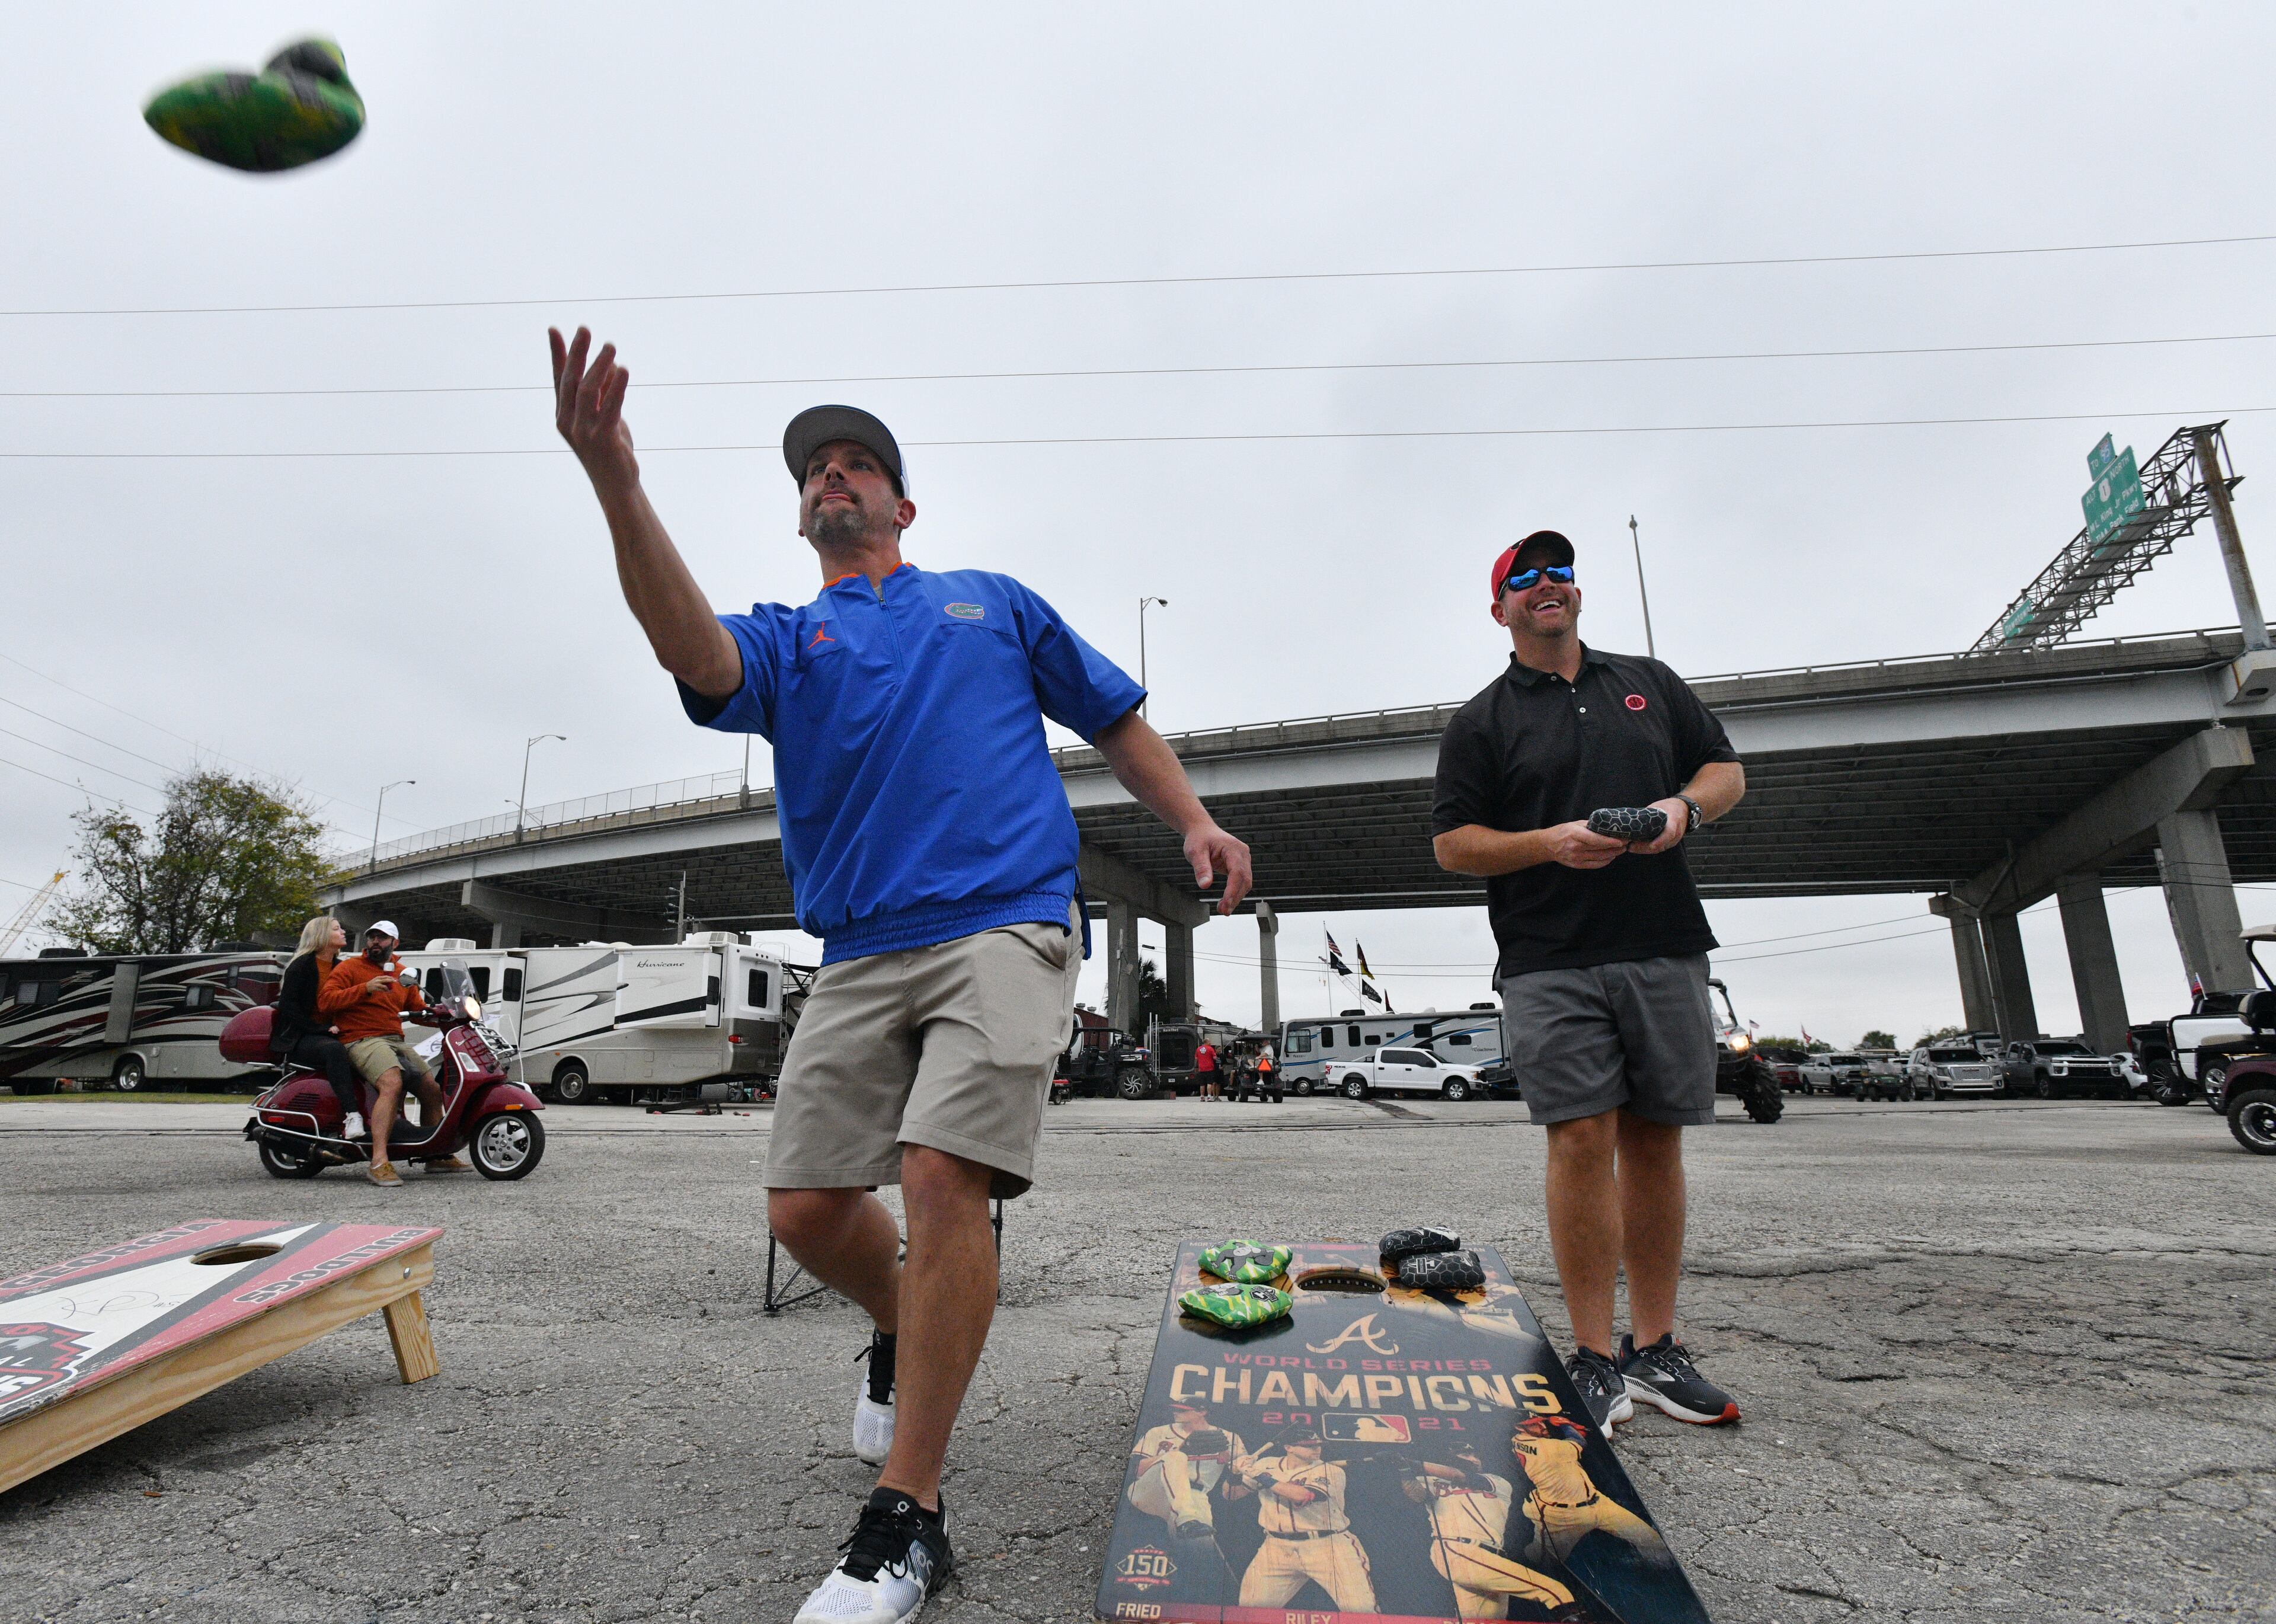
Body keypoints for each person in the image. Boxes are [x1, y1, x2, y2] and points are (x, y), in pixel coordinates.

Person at [549, 328, 1252, 1624]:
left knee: (942, 1176)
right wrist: (615, 480)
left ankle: (911, 1512)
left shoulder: (992, 600)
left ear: (901, 501)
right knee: (807, 1210)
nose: (833, 474)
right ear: (801, 506)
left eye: (857, 462)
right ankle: (899, 1325)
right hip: (860, 946)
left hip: (1005, 920)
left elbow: (1114, 718)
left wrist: (1196, 822)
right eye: (816, 466)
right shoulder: (789, 637)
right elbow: (691, 655)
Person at [1431, 529, 1747, 1436]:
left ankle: (1656, 1349)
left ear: (1576, 592)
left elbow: (1727, 772)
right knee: (1579, 1141)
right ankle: (1595, 1356)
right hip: (1548, 955)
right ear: (1501, 609)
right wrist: (1548, 843)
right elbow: (1454, 844)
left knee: (1655, 1143)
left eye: (1558, 572)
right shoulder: (1482, 722)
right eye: (1523, 578)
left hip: (1663, 942)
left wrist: (1679, 809)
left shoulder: (1647, 681)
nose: (1545, 585)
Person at [319, 922, 466, 1186]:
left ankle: (436, 1156)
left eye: (383, 938)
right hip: (360, 1038)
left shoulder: (402, 974)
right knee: (392, 1083)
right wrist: (365, 988)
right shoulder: (349, 968)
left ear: (395, 944)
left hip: (394, 1040)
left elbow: (416, 1009)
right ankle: (379, 1162)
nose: (376, 942)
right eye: (372, 937)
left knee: (432, 1089)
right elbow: (326, 1001)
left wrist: (445, 1015)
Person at [1402, 1444, 1575, 1619]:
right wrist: (1403, 1469)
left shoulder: (1498, 1482)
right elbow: (1416, 1494)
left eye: (1476, 1455)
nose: (1475, 1459)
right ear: (1450, 1458)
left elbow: (1459, 1475)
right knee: (1556, 1593)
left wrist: (1413, 1463)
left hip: (1493, 1557)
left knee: (1487, 1619)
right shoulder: (1431, 1481)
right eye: (1467, 1454)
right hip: (1455, 1549)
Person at [1230, 1427, 1377, 1612]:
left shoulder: (1330, 1471)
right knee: (1250, 1613)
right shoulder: (1267, 1464)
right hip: (1276, 1548)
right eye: (1309, 1446)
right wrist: (1235, 1472)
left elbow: (1302, 1496)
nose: (1317, 1449)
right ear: (1288, 1447)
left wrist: (1254, 1472)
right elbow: (1231, 1495)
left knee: (1361, 1612)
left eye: (1318, 1445)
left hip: (1328, 1546)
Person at [273, 915, 363, 1140]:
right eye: (336, 929)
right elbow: (288, 1006)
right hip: (302, 1036)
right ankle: (353, 1115)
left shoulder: (341, 967)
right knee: (334, 1051)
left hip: (332, 1033)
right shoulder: (302, 965)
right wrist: (319, 1029)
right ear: (322, 935)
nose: (343, 932)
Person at [1127, 1398, 1248, 1544]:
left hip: (1195, 1496)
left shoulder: (1230, 1438)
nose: (1176, 1412)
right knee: (1176, 1457)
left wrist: (1236, 1468)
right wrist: (1179, 1451)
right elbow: (1134, 1470)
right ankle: (1186, 1520)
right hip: (1152, 1489)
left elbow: (1241, 1472)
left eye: (1183, 1410)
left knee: (1201, 1548)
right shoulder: (1158, 1432)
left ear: (1202, 1412)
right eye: (1176, 1408)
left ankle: (1188, 1523)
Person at [1195, 1037, 1219, 1101]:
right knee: (1209, 1083)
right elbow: (1215, 1058)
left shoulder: (1198, 1049)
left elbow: (1196, 1059)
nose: (1210, 1043)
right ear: (1207, 1042)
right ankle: (1209, 1097)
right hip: (1210, 1069)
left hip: (1201, 1069)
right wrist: (1216, 1057)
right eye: (1210, 1042)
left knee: (1202, 1084)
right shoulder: (1210, 1049)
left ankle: (1202, 1097)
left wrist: (1196, 1067)